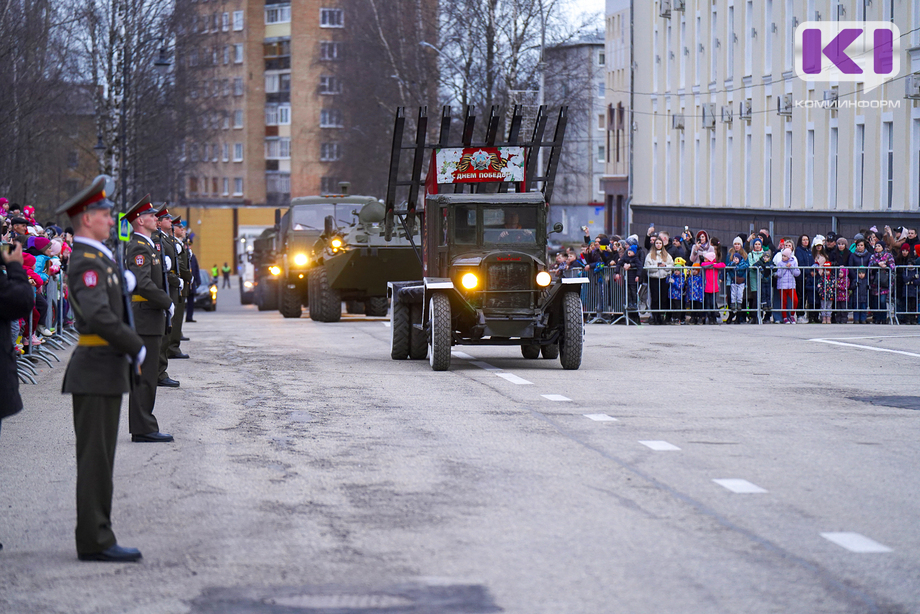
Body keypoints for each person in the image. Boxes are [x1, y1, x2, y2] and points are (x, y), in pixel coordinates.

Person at [56, 177, 145, 562]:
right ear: (88, 217)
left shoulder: (99, 256)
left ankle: (99, 533)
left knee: (102, 460)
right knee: (95, 461)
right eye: (106, 213)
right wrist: (135, 344)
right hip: (95, 369)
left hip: (104, 370)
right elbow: (97, 315)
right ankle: (94, 539)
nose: (112, 219)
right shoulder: (85, 260)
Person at [125, 197, 176, 443]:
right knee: (144, 377)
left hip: (150, 318)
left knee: (148, 375)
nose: (156, 219)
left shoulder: (148, 245)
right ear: (140, 220)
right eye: (152, 216)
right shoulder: (138, 246)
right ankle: (143, 427)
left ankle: (144, 424)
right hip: (145, 319)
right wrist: (166, 301)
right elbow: (143, 284)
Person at [153, 206, 180, 387]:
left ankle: (160, 371)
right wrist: (173, 278)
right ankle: (159, 373)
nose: (170, 221)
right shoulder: (156, 239)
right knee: (163, 333)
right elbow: (160, 268)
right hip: (164, 287)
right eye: (167, 219)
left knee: (166, 332)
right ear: (160, 222)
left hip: (170, 286)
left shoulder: (167, 239)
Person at [166, 216, 191, 359]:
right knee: (175, 317)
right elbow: (180, 265)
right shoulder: (172, 243)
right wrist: (188, 277)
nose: (183, 229)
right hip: (176, 283)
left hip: (180, 283)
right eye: (180, 227)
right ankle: (172, 347)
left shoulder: (177, 243)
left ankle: (173, 345)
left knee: (178, 317)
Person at [644, 236, 672, 324]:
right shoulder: (650, 255)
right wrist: (657, 266)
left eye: (660, 243)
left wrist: (665, 266)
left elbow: (671, 266)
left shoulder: (667, 255)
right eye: (657, 243)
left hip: (664, 278)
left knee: (663, 298)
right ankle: (655, 316)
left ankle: (662, 316)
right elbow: (647, 267)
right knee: (655, 298)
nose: (658, 245)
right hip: (654, 278)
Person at [868, 241, 895, 324]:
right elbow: (870, 266)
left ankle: (883, 318)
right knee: (875, 301)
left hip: (884, 282)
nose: (877, 247)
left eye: (879, 246)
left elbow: (893, 266)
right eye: (876, 246)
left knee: (882, 300)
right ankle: (876, 318)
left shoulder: (888, 256)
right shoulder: (873, 256)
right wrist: (877, 264)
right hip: (875, 282)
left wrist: (885, 264)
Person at [775, 248, 800, 323]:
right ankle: (785, 317)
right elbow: (778, 274)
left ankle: (792, 315)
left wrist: (791, 267)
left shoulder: (794, 262)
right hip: (782, 286)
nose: (783, 257)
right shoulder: (780, 263)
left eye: (785, 256)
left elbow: (797, 273)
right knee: (784, 302)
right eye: (782, 256)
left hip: (791, 285)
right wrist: (785, 267)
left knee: (795, 300)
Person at [700, 251, 725, 324]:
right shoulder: (708, 265)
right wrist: (712, 264)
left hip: (714, 287)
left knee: (713, 303)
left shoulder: (715, 265)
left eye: (706, 259)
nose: (704, 260)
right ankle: (710, 317)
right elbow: (703, 265)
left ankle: (714, 317)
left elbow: (722, 265)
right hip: (707, 287)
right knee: (708, 303)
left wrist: (713, 265)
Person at [667, 257, 687, 324]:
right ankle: (673, 318)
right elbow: (667, 282)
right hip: (672, 295)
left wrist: (674, 282)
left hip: (678, 295)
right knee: (672, 307)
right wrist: (668, 278)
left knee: (677, 307)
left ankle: (678, 318)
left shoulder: (681, 277)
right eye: (675, 270)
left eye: (678, 270)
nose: (676, 272)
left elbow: (680, 286)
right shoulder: (672, 276)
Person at [186, 236, 200, 323]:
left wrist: (198, 280)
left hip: (192, 281)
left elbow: (196, 268)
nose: (188, 247)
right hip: (184, 281)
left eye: (189, 245)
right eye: (187, 245)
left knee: (191, 301)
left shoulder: (193, 256)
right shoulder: (182, 254)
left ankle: (189, 317)